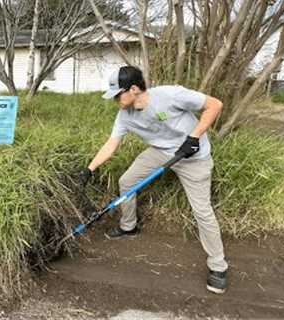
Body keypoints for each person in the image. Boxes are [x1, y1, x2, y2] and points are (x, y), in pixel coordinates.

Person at [79, 66, 228, 294]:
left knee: (202, 210)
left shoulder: (170, 95)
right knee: (127, 181)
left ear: (134, 89)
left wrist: (194, 137)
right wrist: (90, 168)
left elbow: (215, 104)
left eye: (118, 94)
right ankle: (128, 226)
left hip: (193, 156)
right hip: (161, 152)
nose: (115, 99)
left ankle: (218, 266)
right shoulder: (124, 115)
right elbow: (111, 144)